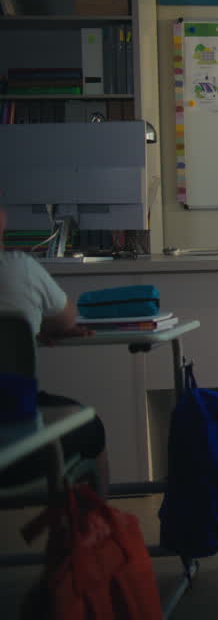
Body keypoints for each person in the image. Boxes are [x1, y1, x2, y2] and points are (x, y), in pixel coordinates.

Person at [0, 208, 107, 495]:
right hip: (16, 435)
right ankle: (96, 535)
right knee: (90, 423)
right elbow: (67, 319)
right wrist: (33, 324)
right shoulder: (19, 268)